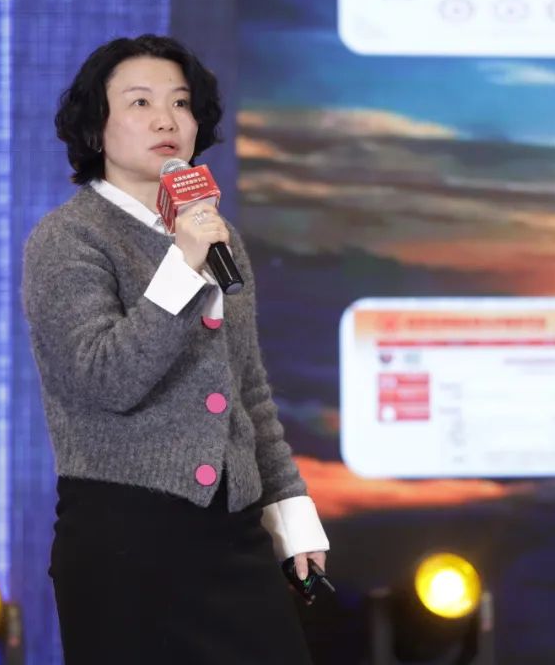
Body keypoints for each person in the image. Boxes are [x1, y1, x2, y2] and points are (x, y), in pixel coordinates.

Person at [22, 34, 329, 664]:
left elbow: (248, 389)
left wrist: (292, 512)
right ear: (95, 128)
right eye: (140, 102)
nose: (166, 119)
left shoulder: (218, 236)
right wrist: (181, 267)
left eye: (181, 103)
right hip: (123, 542)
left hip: (234, 533)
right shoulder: (67, 238)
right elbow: (103, 378)